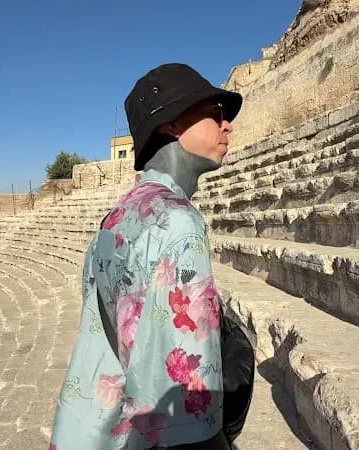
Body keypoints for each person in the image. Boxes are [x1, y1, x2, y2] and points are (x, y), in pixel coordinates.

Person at [49, 63, 243, 450]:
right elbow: (188, 412)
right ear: (170, 124)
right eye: (214, 113)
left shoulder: (115, 218)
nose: (227, 126)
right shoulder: (178, 222)